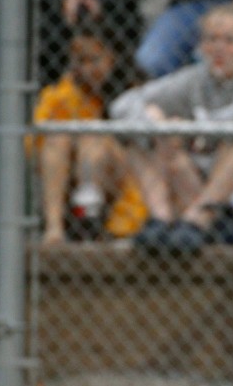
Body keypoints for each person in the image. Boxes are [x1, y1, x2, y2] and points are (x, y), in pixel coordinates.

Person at [110, 5, 233, 254]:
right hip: (198, 190)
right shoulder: (195, 78)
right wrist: (158, 127)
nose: (219, 48)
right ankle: (160, 219)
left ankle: (200, 218)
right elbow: (123, 105)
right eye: (211, 39)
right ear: (201, 47)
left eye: (230, 40)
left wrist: (197, 129)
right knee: (149, 123)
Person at [31, 22, 149, 246]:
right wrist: (69, 91)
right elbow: (35, 139)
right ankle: (54, 228)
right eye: (80, 62)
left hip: (125, 170)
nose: (87, 69)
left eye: (94, 60)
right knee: (58, 137)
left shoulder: (136, 88)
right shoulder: (66, 92)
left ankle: (90, 220)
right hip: (73, 172)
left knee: (91, 138)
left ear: (113, 58)